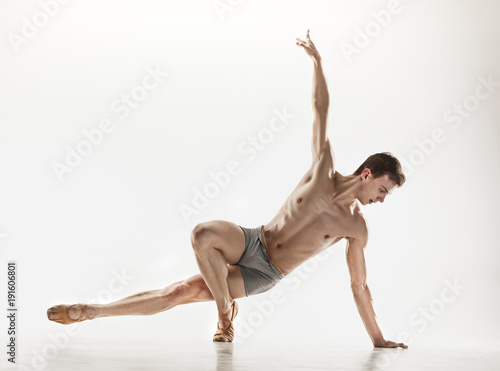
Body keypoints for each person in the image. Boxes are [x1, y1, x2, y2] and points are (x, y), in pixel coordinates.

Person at [47, 30, 408, 348]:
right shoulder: (322, 172)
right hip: (253, 240)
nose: (381, 199)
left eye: (385, 195)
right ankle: (225, 311)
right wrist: (317, 62)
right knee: (202, 233)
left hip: (266, 272)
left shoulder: (356, 228)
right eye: (383, 189)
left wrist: (378, 339)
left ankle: (94, 311)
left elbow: (359, 286)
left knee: (180, 292)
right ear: (367, 174)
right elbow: (320, 109)